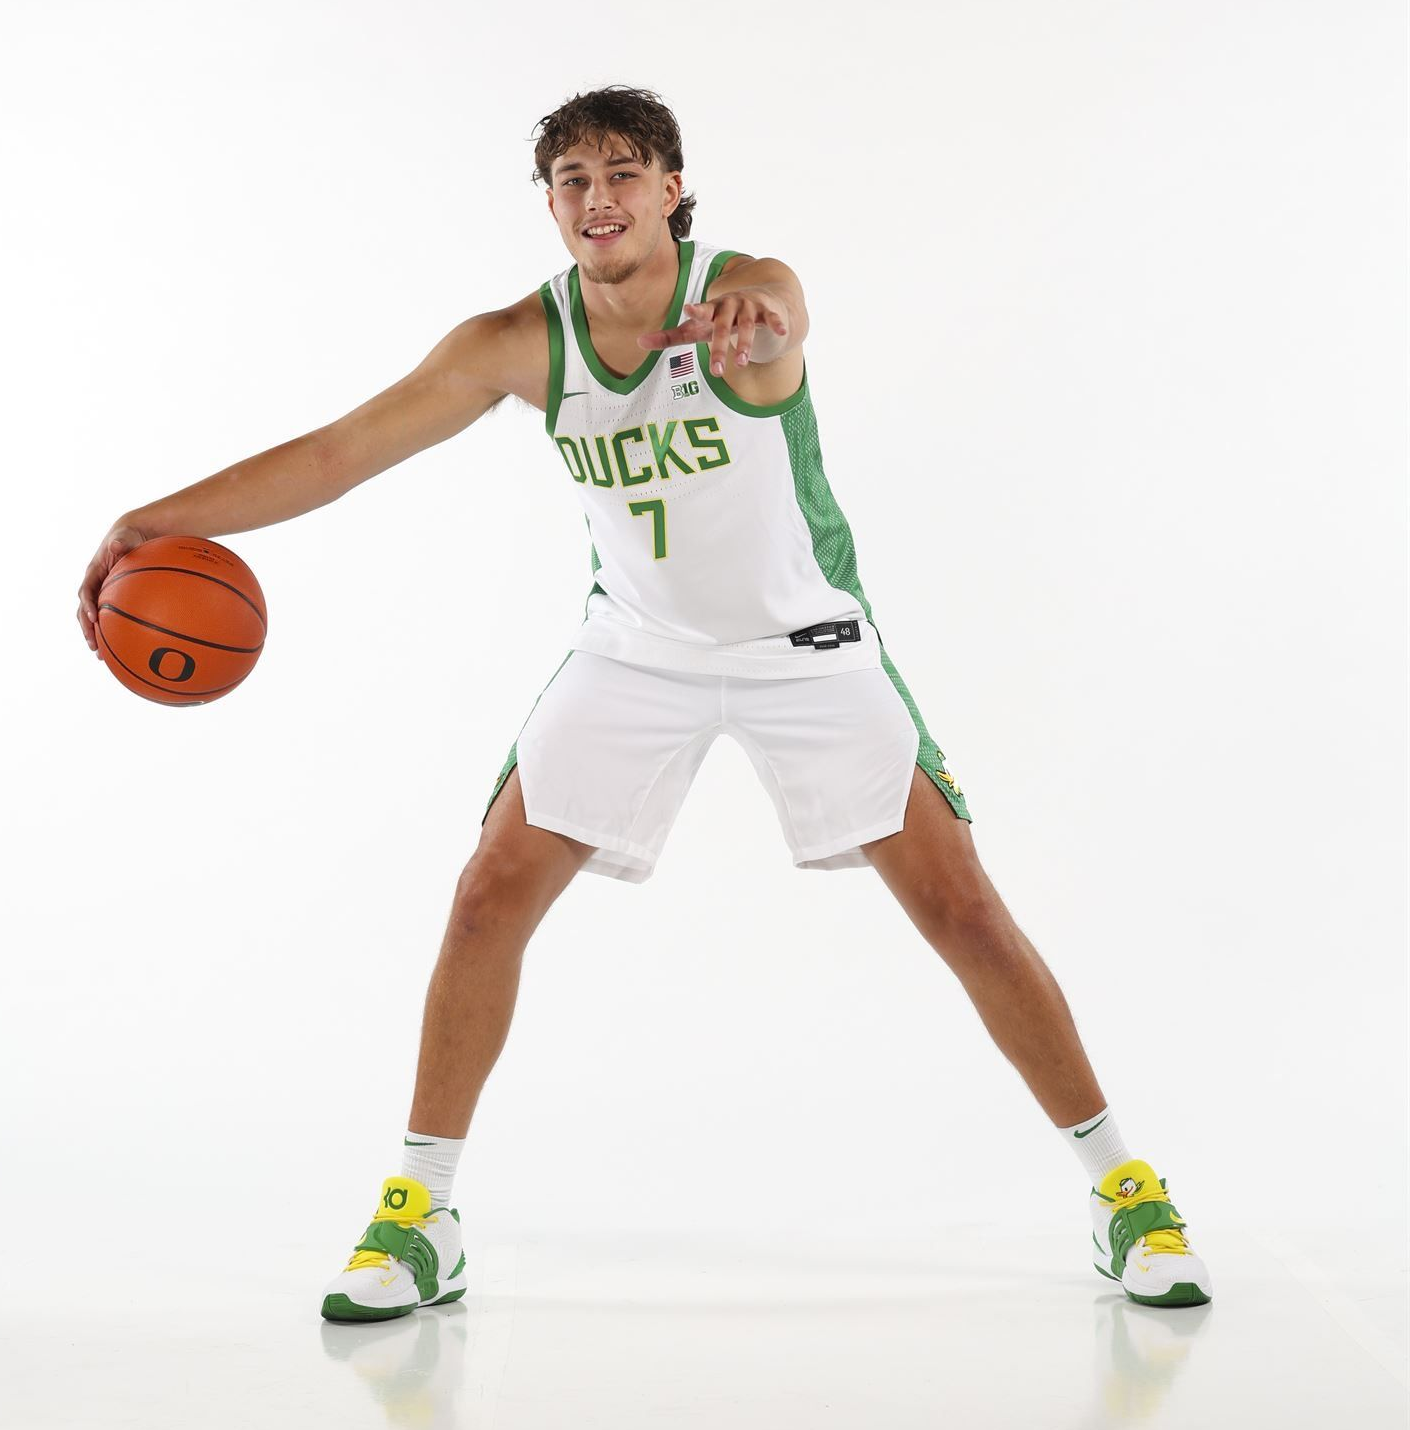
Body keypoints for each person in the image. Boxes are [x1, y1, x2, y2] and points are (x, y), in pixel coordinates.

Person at [77, 85, 1212, 1322]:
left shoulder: (742, 295)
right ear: (550, 205)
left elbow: (781, 309)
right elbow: (339, 453)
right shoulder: (517, 341)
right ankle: (420, 1214)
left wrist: (762, 320)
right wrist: (151, 521)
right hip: (638, 649)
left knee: (962, 909)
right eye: (571, 179)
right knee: (487, 893)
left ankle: (1125, 1190)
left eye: (623, 172)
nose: (598, 196)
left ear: (673, 190)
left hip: (808, 646)